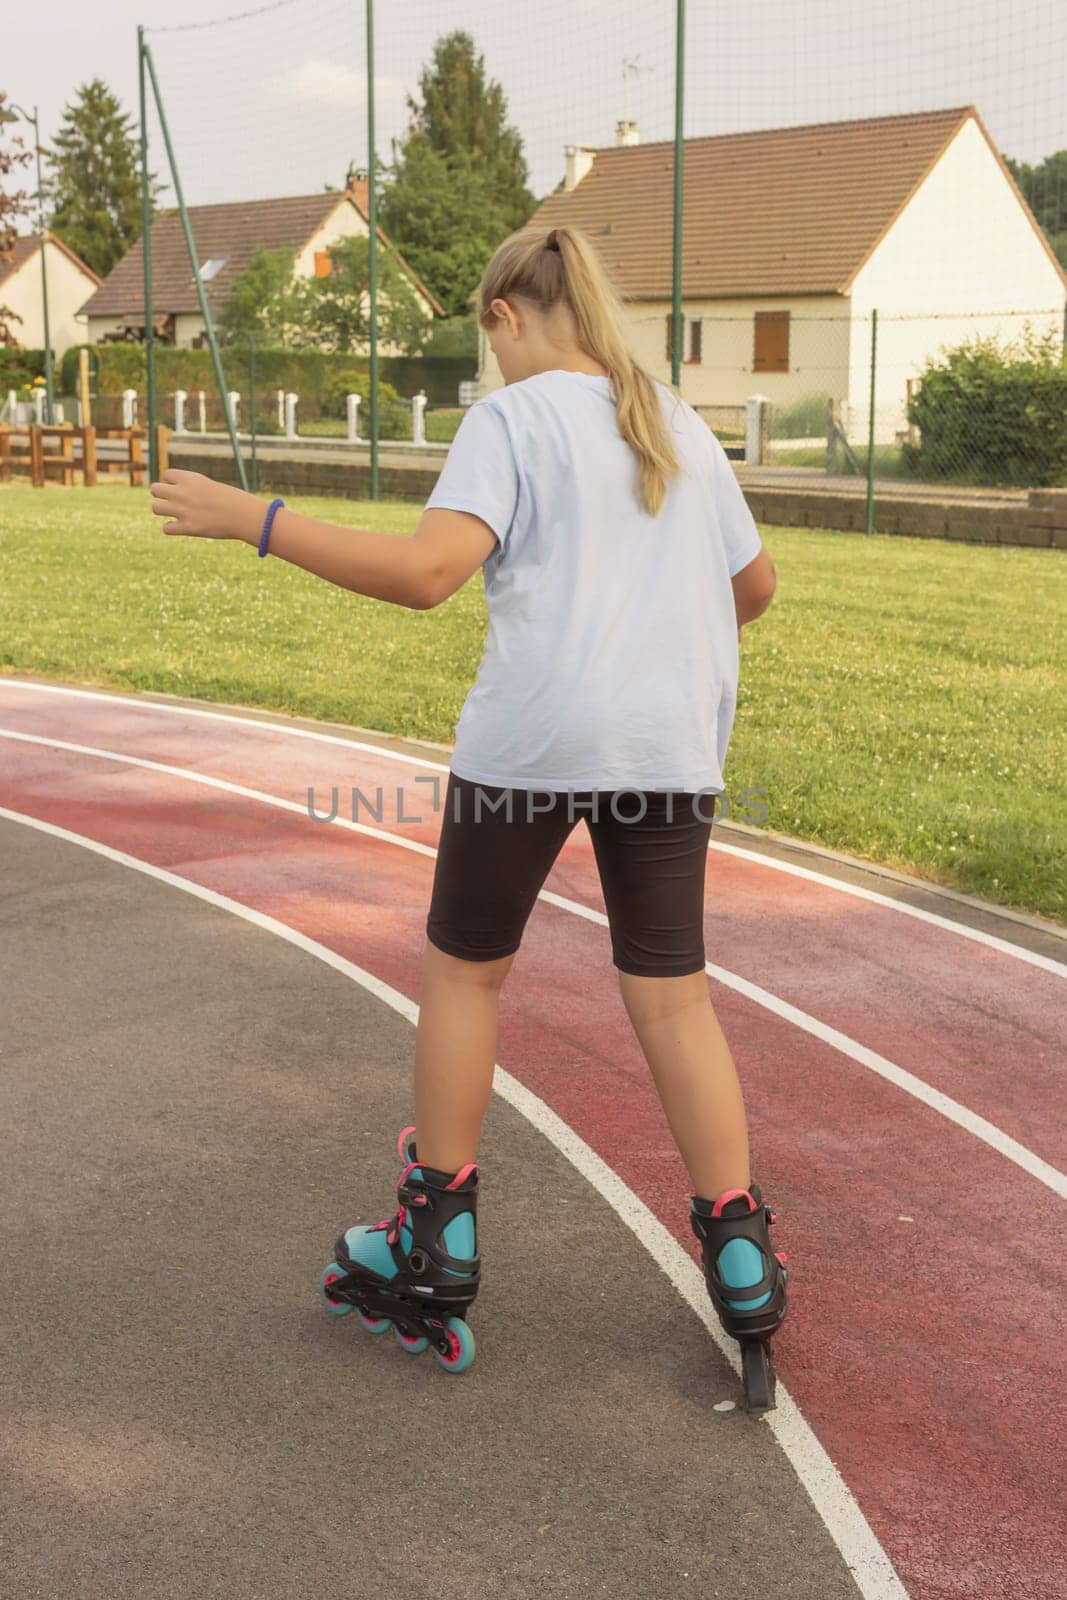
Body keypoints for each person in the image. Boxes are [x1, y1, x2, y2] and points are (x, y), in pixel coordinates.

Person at [149, 223, 788, 1400]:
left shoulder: (510, 419)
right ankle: (739, 1253)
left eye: (483, 335)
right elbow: (751, 588)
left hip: (532, 743)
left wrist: (259, 520)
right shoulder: (675, 420)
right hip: (666, 746)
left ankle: (437, 1235)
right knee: (670, 996)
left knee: (465, 975)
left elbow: (426, 574)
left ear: (504, 314)